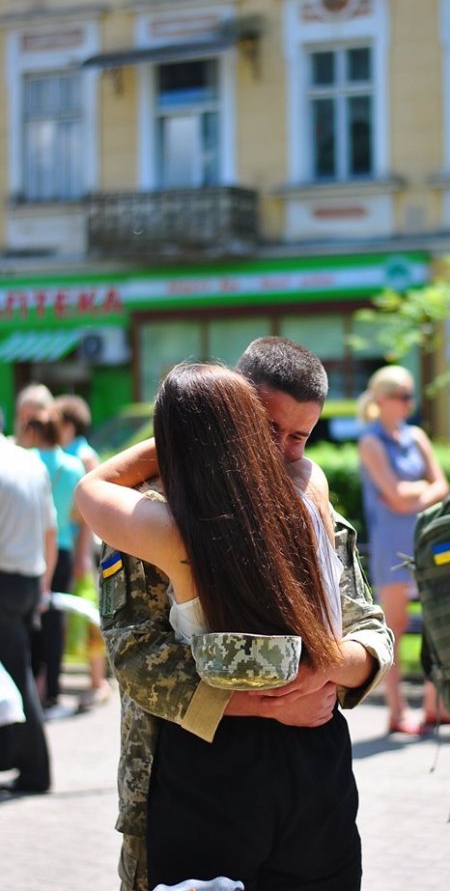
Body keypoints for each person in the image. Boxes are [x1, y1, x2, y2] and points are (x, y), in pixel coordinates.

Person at [95, 337, 393, 891]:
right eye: (265, 428)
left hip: (311, 770)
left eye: (299, 437)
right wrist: (265, 703)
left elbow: (369, 626)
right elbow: (136, 655)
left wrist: (326, 670)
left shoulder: (313, 504)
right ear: (230, 411)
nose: (280, 450)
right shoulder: (154, 510)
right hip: (195, 765)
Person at [358, 364, 449, 735]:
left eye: (411, 396)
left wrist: (413, 494)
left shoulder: (417, 436)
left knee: (437, 623)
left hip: (424, 541)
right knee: (393, 629)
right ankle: (396, 712)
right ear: (382, 399)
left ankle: (433, 705)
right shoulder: (370, 441)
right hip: (392, 546)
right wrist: (421, 491)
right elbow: (395, 494)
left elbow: (440, 485)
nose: (409, 403)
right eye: (402, 396)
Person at [0, 405, 57, 793]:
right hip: (28, 579)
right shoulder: (29, 462)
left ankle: (35, 770)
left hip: (5, 581)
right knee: (15, 672)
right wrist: (44, 584)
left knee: (16, 676)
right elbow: (50, 530)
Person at [21, 409, 85, 711]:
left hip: (33, 548)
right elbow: (77, 514)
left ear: (34, 431)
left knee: (31, 620)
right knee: (55, 622)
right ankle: (53, 691)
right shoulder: (73, 466)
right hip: (63, 549)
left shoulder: (27, 462)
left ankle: (32, 687)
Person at [54, 394, 111, 710]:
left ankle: (97, 681)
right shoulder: (70, 453)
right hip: (72, 546)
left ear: (69, 424)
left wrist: (80, 556)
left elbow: (91, 511)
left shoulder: (85, 457)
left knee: (89, 614)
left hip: (82, 549)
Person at [12, 382, 54, 447]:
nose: (28, 428)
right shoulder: (8, 447)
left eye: (33, 421)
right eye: (22, 418)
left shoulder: (61, 450)